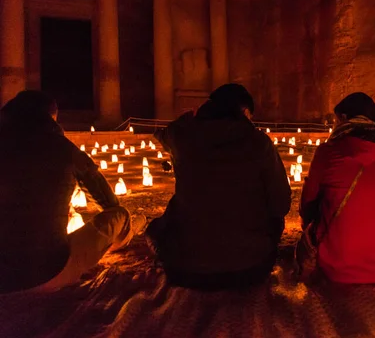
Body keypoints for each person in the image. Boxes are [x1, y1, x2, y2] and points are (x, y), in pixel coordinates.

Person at [147, 83, 291, 290]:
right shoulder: (259, 142)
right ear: (243, 111)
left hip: (185, 270)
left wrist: (191, 117)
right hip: (250, 268)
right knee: (274, 221)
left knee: (155, 229)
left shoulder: (181, 137)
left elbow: (163, 133)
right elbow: (281, 204)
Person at [0, 91, 144, 294]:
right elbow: (110, 204)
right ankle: (128, 234)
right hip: (47, 272)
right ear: (51, 117)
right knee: (120, 216)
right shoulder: (65, 149)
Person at [299, 92, 375, 284]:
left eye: (335, 120)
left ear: (343, 118)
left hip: (340, 264)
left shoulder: (328, 152)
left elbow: (308, 203)